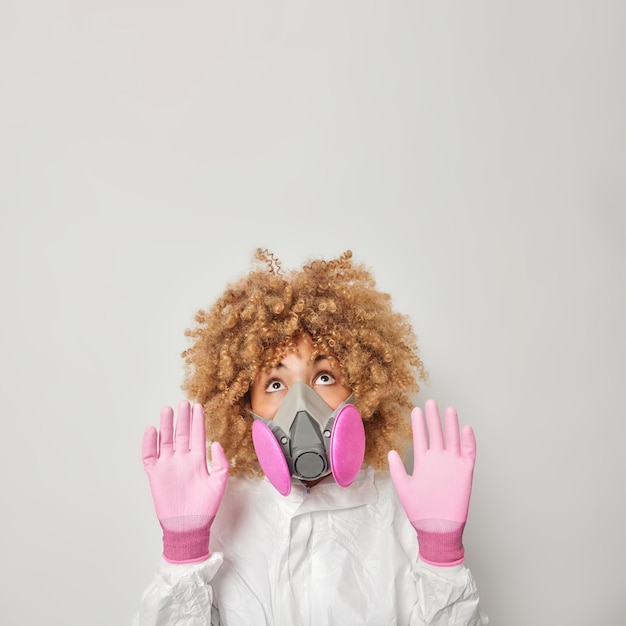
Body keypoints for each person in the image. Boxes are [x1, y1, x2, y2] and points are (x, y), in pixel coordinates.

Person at [135, 249, 488, 625]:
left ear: (362, 388)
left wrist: (441, 553)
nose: (300, 404)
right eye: (275, 383)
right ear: (244, 405)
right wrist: (184, 549)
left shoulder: (400, 512)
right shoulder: (220, 515)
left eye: (323, 377)